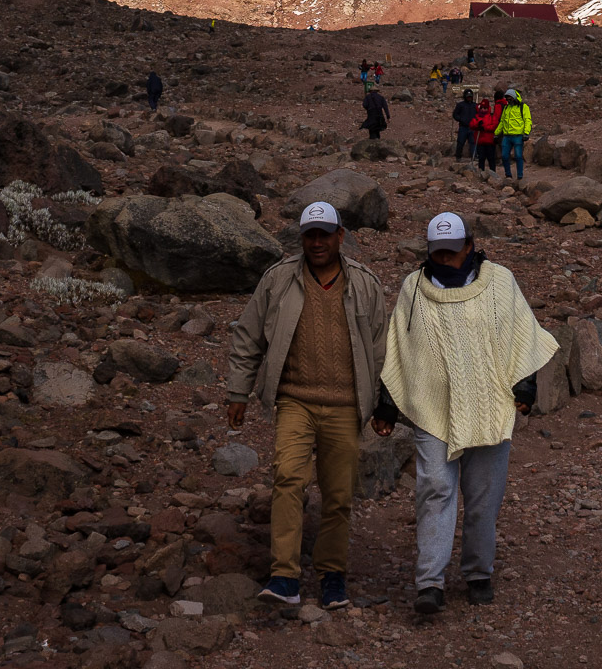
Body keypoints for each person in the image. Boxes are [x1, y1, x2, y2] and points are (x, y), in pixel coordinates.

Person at [374, 212, 557, 615]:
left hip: (489, 404)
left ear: (469, 247)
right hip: (433, 407)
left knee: (483, 498)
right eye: (437, 252)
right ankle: (430, 583)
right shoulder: (414, 288)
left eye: (452, 252)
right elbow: (400, 349)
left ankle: (478, 572)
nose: (445, 258)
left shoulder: (500, 282)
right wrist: (387, 406)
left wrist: (524, 388)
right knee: (435, 491)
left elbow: (521, 333)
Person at [226, 202, 391, 610]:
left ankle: (332, 575)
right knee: (288, 480)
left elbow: (383, 350)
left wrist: (386, 406)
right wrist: (237, 392)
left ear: (340, 236)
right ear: (301, 238)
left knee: (338, 495)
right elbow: (248, 337)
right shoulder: (278, 280)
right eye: (309, 235)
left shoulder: (365, 284)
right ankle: (284, 576)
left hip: (345, 406)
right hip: (294, 399)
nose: (316, 242)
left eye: (324, 234)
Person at [492, 88, 532, 179]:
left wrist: (526, 133)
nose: (508, 100)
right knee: (504, 156)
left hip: (518, 136)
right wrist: (496, 133)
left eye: (509, 97)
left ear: (514, 97)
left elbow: (527, 120)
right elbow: (502, 122)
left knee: (518, 156)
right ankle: (508, 175)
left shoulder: (523, 107)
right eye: (507, 98)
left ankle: (520, 176)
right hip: (507, 136)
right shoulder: (506, 108)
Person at [471, 98, 498, 172]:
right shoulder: (477, 116)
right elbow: (472, 125)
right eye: (482, 108)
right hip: (480, 141)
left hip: (490, 141)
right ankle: (481, 172)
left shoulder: (492, 116)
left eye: (485, 108)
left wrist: (484, 127)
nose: (483, 110)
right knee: (481, 158)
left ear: (488, 108)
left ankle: (493, 173)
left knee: (491, 158)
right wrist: (477, 125)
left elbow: (494, 126)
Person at [451, 90, 477, 160]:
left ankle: (474, 156)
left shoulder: (475, 105)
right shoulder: (460, 105)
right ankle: (458, 156)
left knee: (473, 143)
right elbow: (455, 114)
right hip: (463, 127)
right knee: (460, 142)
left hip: (472, 127)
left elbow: (479, 115)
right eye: (468, 97)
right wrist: (461, 119)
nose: (469, 98)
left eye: (470, 97)